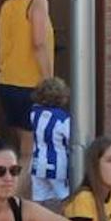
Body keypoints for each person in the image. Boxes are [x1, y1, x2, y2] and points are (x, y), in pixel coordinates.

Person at [0, 0, 54, 198]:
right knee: (31, 152)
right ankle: (16, 206)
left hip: (8, 84)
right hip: (30, 86)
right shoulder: (38, 3)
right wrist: (50, 82)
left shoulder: (8, 5)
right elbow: (39, 42)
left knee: (22, 148)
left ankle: (15, 203)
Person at [29, 76, 72, 206]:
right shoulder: (63, 119)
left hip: (37, 163)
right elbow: (71, 139)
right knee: (66, 198)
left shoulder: (34, 113)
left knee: (38, 200)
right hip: (57, 165)